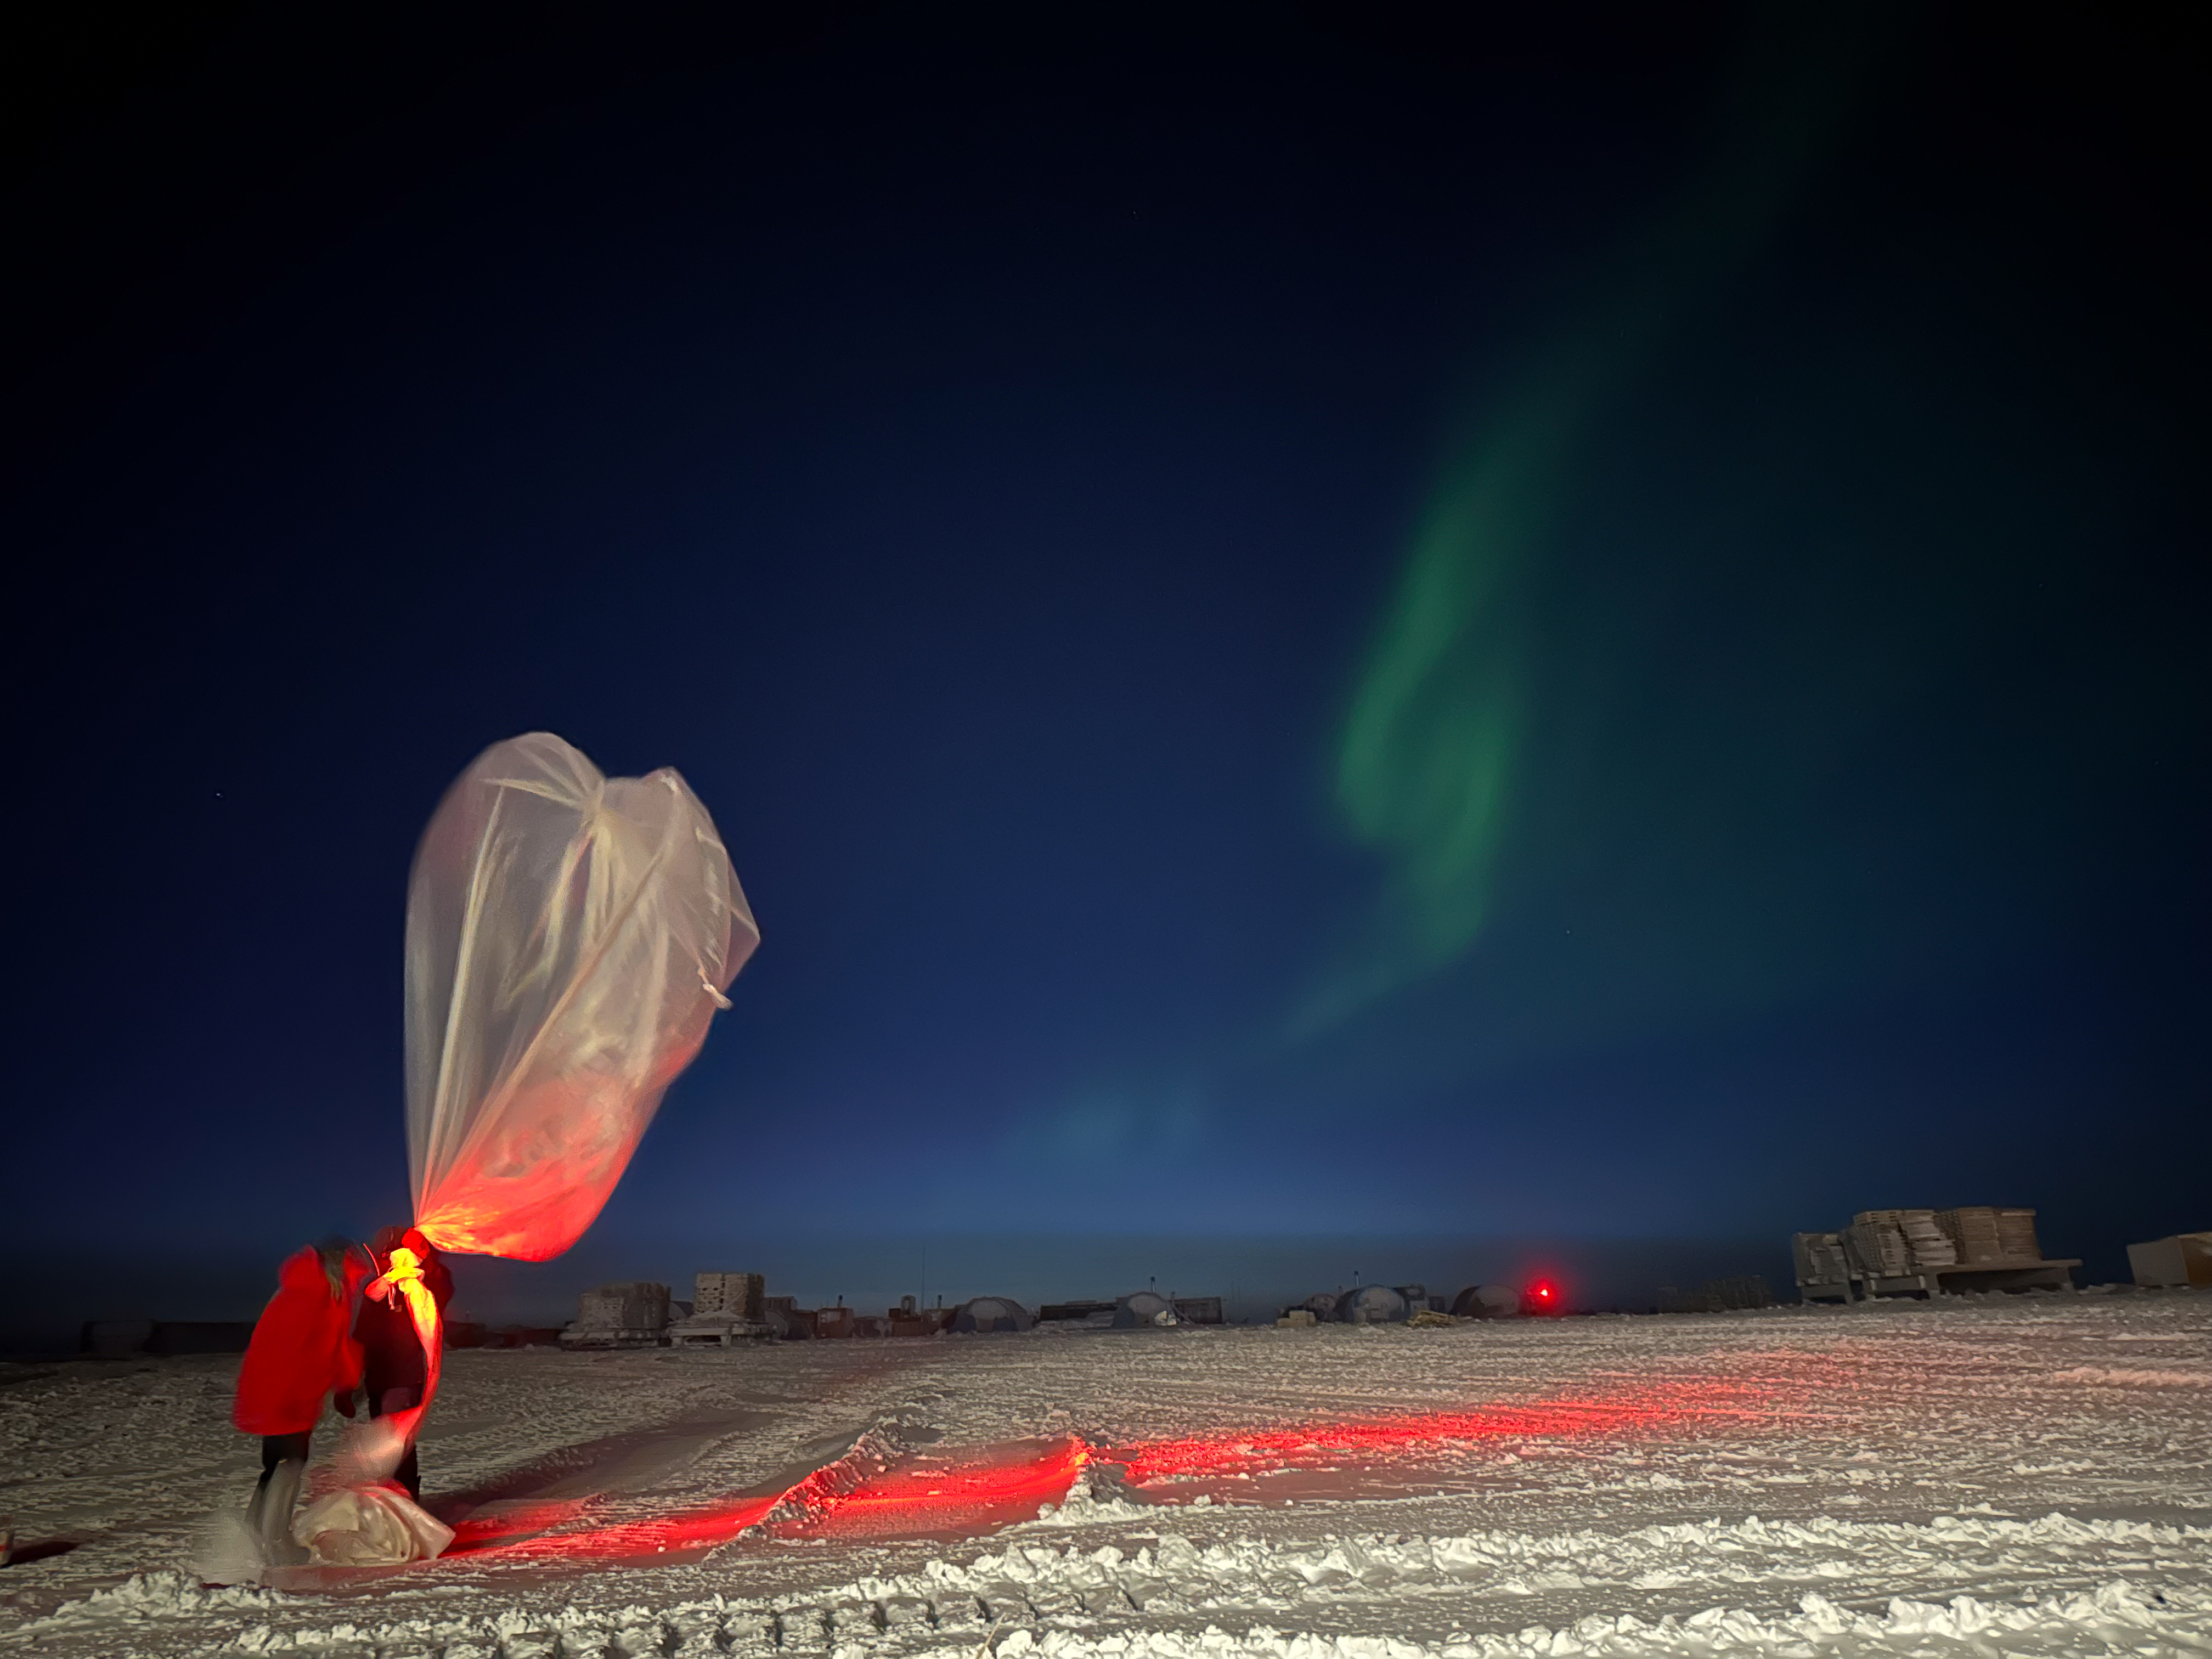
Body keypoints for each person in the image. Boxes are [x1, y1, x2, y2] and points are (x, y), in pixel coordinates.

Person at [233, 1236, 367, 1560]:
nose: (356, 1278)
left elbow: (331, 1345)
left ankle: (256, 1530)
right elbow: (302, 1351)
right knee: (289, 1463)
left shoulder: (315, 1291)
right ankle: (274, 1539)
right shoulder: (315, 1295)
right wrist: (339, 1384)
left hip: (284, 1395)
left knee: (280, 1463)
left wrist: (345, 1381)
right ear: (340, 1264)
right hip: (286, 1396)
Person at [349, 1225, 453, 1504]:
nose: (395, 1260)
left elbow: (443, 1286)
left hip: (405, 1379)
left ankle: (405, 1506)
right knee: (387, 1444)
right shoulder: (377, 1290)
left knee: (397, 1445)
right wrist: (349, 1382)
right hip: (377, 1380)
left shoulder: (419, 1285)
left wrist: (426, 1259)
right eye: (390, 1256)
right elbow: (361, 1335)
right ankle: (392, 1506)